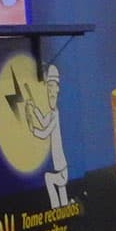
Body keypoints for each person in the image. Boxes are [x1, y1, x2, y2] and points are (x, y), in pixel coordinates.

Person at [27, 65, 69, 208]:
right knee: (63, 193)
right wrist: (34, 109)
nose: (50, 91)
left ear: (58, 88)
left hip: (62, 169)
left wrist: (33, 130)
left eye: (53, 86)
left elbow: (45, 132)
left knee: (48, 178)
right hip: (60, 168)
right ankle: (63, 207)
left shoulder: (55, 115)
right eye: (48, 87)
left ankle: (55, 207)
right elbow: (44, 122)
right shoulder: (52, 113)